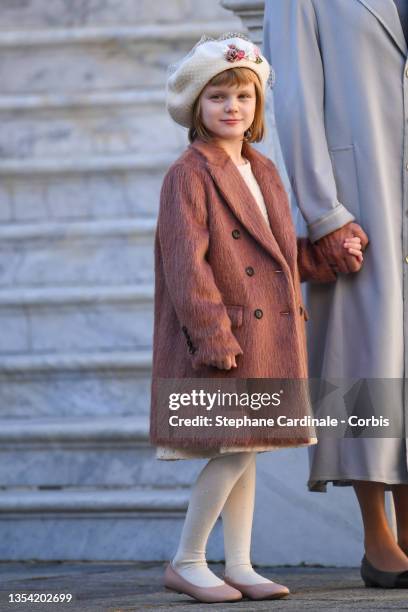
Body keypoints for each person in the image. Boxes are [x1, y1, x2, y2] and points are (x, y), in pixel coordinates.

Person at [149, 33, 362, 604]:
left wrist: (326, 257)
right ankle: (188, 560)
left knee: (251, 448)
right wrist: (212, 336)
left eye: (244, 96)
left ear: (258, 107)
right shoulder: (188, 174)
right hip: (225, 338)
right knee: (236, 448)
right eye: (218, 96)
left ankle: (239, 563)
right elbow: (184, 265)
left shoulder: (261, 168)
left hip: (267, 336)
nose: (232, 107)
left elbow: (274, 254)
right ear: (197, 106)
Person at [263, 0, 408, 589]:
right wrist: (324, 214)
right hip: (361, 198)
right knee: (364, 367)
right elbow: (294, 97)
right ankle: (379, 536)